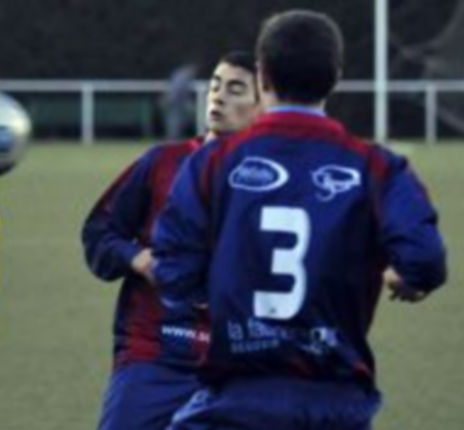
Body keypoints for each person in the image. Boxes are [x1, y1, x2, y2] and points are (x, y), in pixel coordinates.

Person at [153, 10, 447, 430]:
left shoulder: (211, 161)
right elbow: (425, 259)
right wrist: (409, 277)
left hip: (235, 401)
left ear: (262, 75)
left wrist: (218, 289)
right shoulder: (378, 167)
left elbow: (173, 268)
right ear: (336, 77)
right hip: (335, 405)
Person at [82, 52, 259, 430]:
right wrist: (135, 258)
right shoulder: (161, 163)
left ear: (264, 106)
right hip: (152, 353)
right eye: (215, 85)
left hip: (235, 364)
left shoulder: (274, 182)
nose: (218, 96)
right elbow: (99, 233)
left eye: (235, 89)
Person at [162, 63, 197, 140]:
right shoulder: (183, 75)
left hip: (179, 102)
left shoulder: (183, 74)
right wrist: (168, 99)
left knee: (179, 122)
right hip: (175, 102)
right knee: (174, 122)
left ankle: (175, 139)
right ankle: (172, 139)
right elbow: (176, 90)